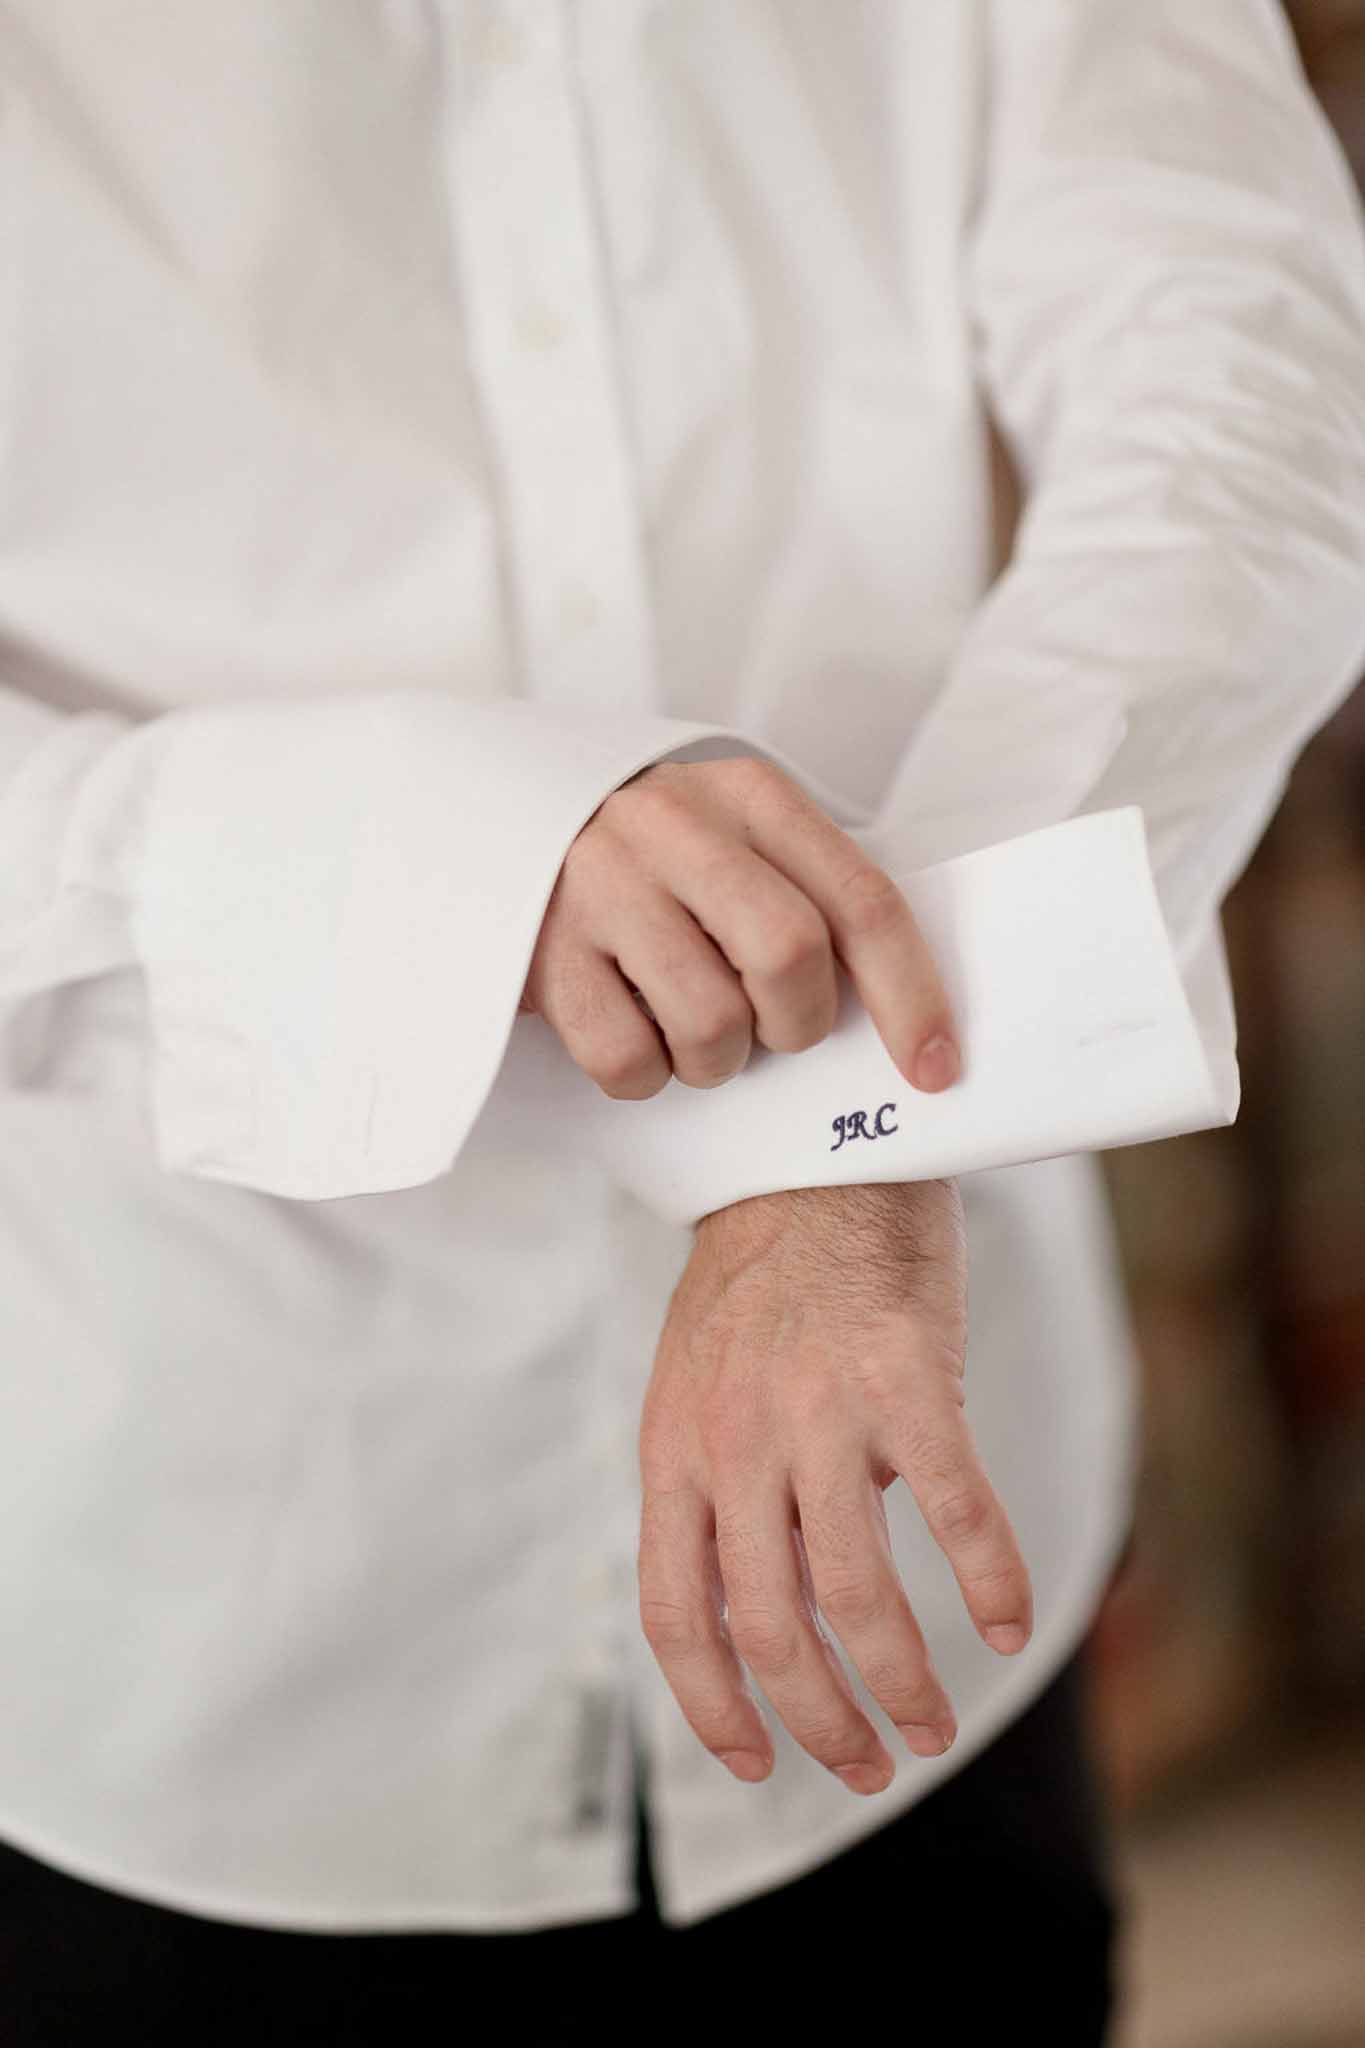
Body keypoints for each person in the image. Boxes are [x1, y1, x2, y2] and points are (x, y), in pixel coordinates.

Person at [0, 2, 1362, 2041]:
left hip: (914, 1574)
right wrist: (436, 862)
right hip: (201, 1606)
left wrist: (856, 1119)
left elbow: (1239, 371)